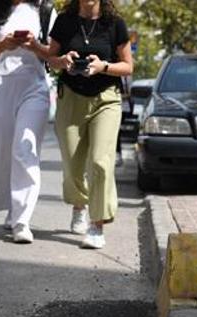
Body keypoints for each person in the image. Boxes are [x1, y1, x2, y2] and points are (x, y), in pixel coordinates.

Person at [47, 0, 133, 249]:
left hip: (106, 99)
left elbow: (128, 66)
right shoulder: (64, 22)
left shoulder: (115, 24)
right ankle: (79, 205)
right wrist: (63, 61)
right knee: (72, 163)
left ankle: (97, 225)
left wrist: (102, 66)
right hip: (71, 97)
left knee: (100, 161)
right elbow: (50, 58)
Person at [0, 0, 55, 244]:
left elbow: (54, 52)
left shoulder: (45, 10)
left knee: (25, 148)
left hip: (34, 85)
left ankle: (22, 220)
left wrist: (35, 45)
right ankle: (11, 208)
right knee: (4, 152)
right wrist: (4, 44)